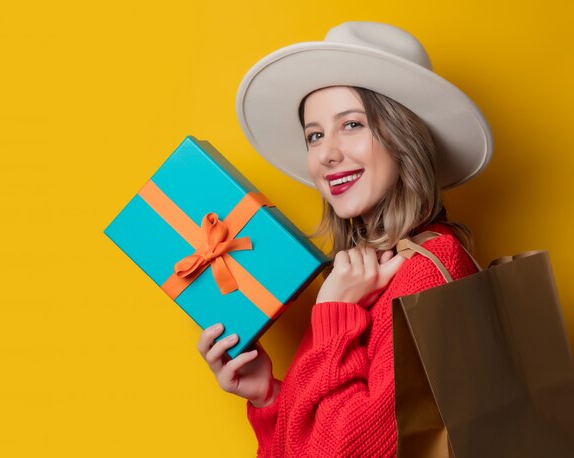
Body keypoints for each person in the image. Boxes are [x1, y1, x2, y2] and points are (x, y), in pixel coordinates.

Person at [197, 22, 493, 457]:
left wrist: (335, 313)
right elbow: (307, 446)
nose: (326, 153)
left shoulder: (431, 268)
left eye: (351, 125)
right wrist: (269, 398)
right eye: (314, 135)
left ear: (403, 140)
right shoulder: (361, 269)